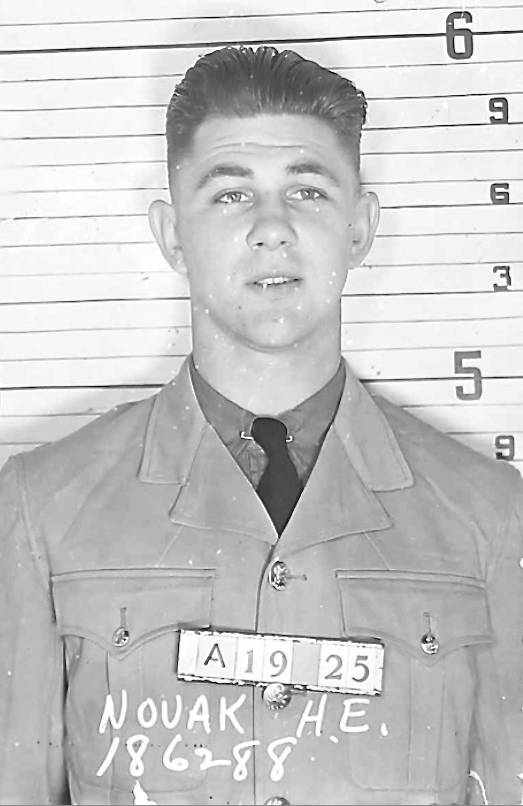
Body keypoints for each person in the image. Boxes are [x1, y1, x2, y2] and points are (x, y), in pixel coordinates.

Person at [0, 45, 521, 806]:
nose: (271, 228)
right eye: (230, 194)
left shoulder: (489, 518)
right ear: (172, 235)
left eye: (307, 190)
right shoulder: (41, 509)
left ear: (359, 227)